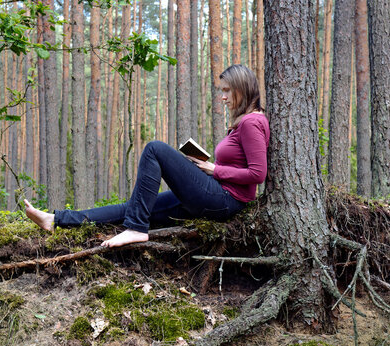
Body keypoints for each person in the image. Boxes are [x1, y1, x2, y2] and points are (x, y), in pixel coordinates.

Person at [25, 64, 269, 248]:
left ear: (241, 89)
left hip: (225, 200)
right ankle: (56, 219)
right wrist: (208, 167)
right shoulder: (244, 123)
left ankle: (136, 229)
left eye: (227, 91)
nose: (223, 97)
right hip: (216, 194)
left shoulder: (251, 122)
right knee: (135, 207)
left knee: (155, 149)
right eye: (222, 90)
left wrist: (214, 170)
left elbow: (258, 174)